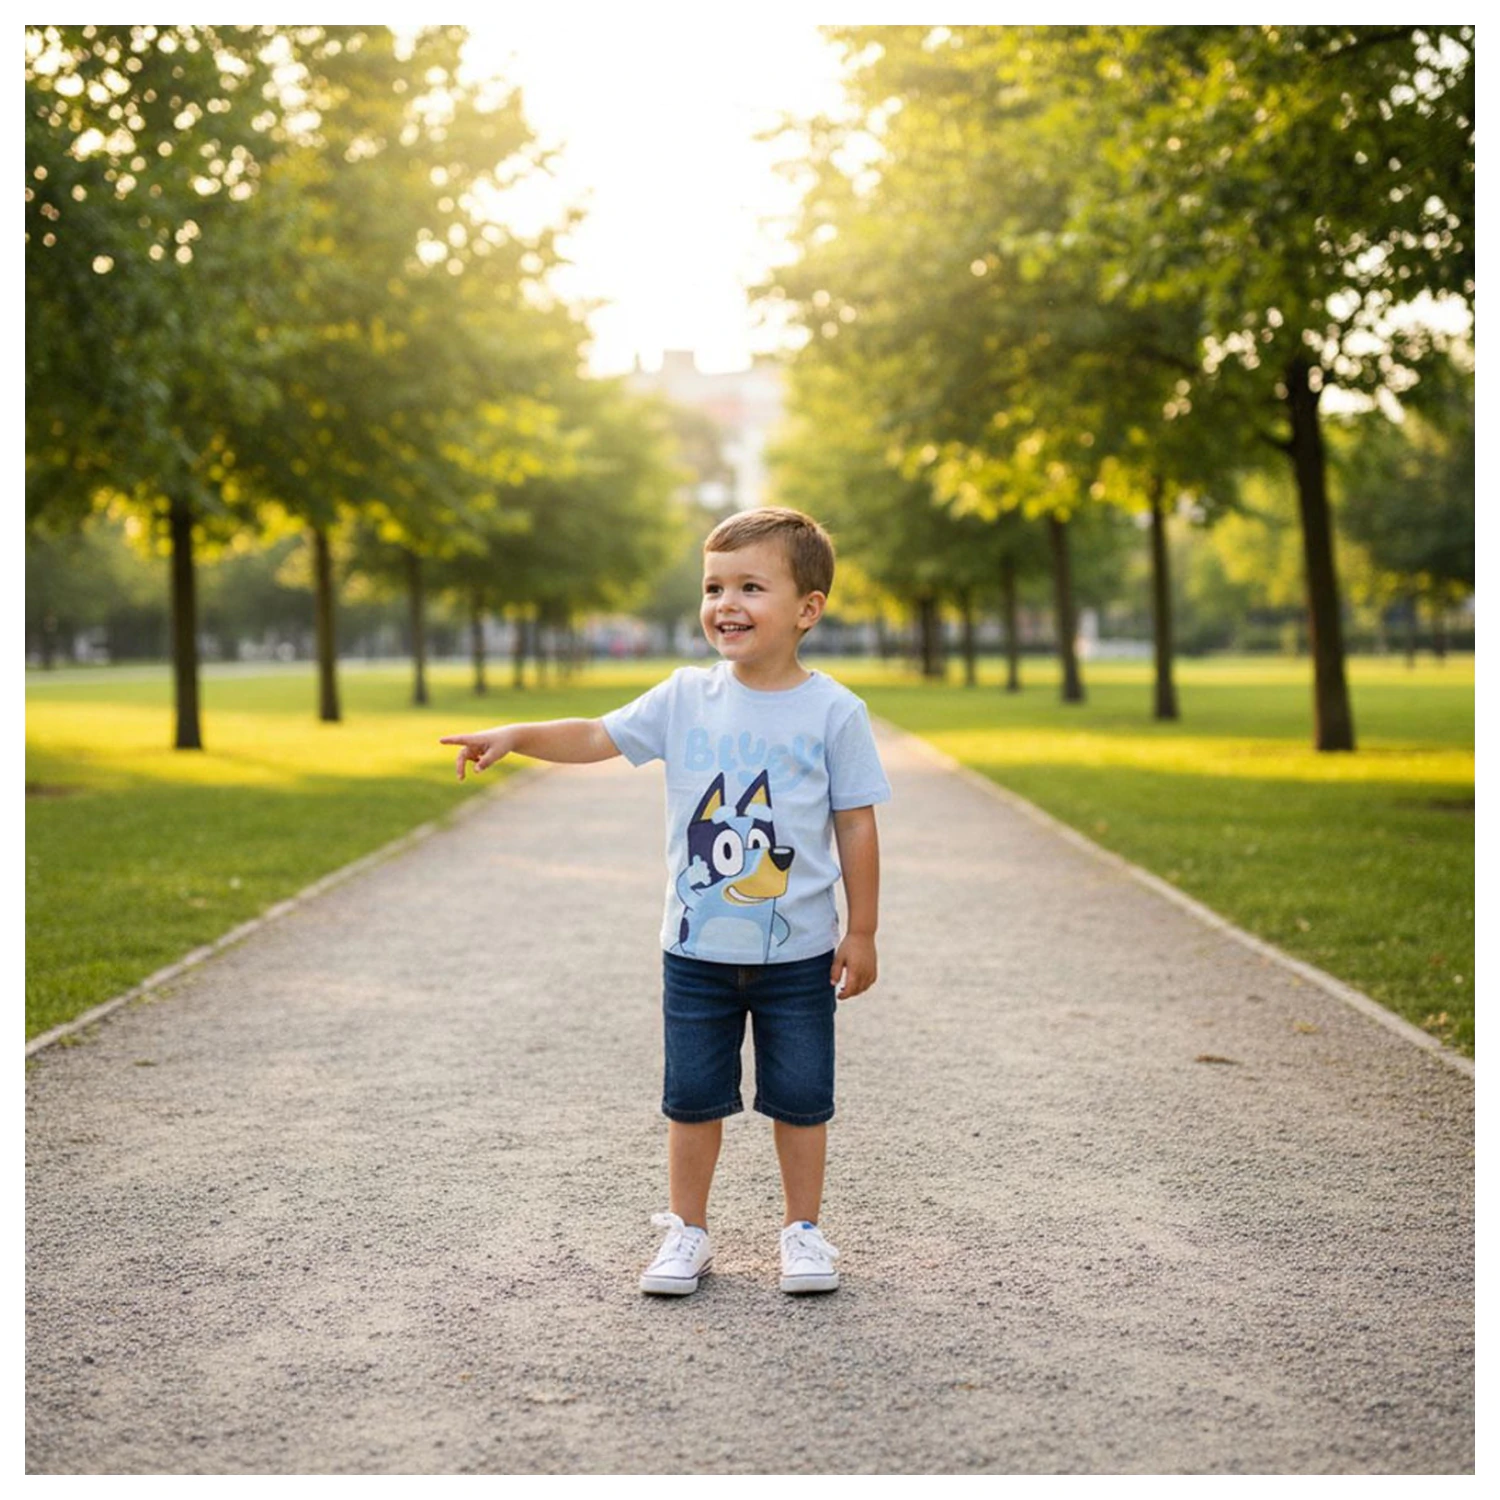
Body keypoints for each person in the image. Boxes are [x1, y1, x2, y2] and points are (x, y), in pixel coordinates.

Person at [439, 508, 891, 1296]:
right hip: (695, 951)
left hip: (800, 953)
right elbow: (595, 736)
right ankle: (688, 1233)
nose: (726, 604)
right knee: (691, 1100)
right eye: (715, 587)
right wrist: (517, 733)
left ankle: (804, 1233)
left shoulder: (834, 713)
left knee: (802, 1098)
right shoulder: (685, 697)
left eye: (752, 586)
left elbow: (855, 823)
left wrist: (865, 931)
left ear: (807, 609)